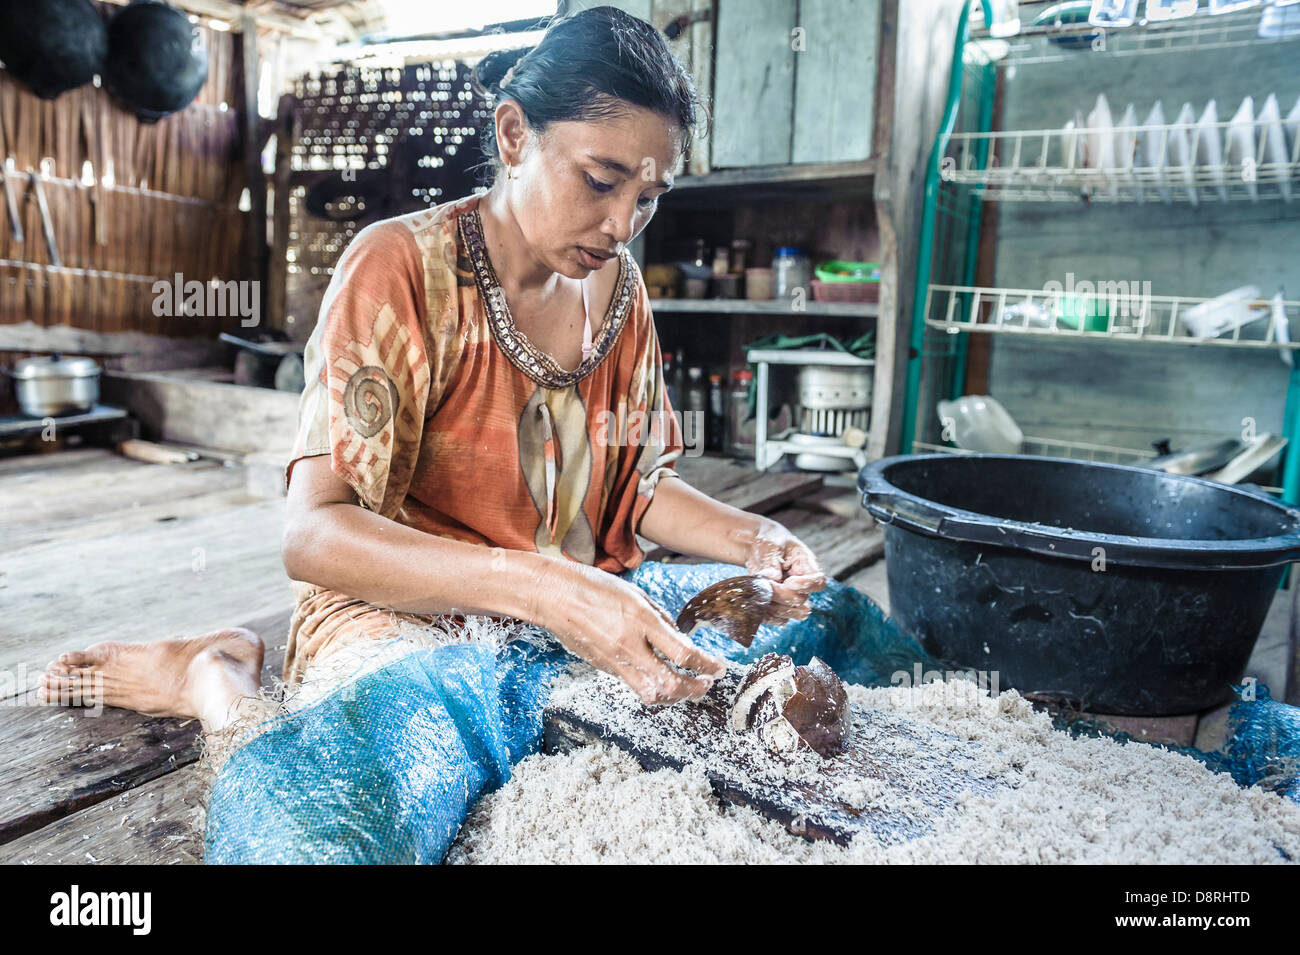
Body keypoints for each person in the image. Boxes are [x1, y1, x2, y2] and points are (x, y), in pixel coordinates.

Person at [37, 6, 826, 856]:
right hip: (405, 618)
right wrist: (542, 586)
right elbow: (314, 534)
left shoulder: (621, 296)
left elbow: (634, 488)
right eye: (601, 181)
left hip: (564, 606)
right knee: (326, 836)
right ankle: (216, 681)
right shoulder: (399, 269)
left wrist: (751, 536)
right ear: (515, 133)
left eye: (649, 195)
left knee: (804, 645)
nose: (623, 222)